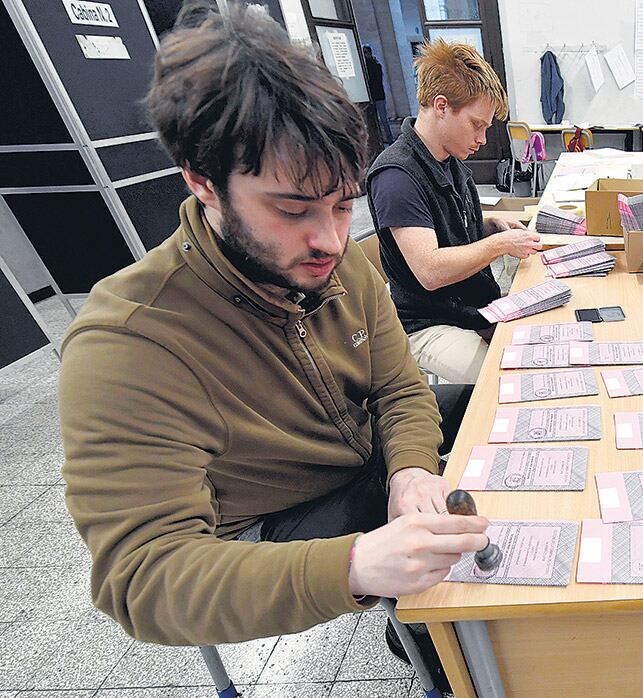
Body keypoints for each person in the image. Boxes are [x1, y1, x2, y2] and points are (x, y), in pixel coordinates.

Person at [59, 5, 485, 691]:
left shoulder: (337, 262)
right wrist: (352, 567)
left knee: (504, 424)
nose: (331, 240)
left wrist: (409, 469)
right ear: (202, 181)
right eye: (292, 210)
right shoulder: (130, 342)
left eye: (343, 204)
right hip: (276, 518)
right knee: (468, 569)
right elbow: (140, 577)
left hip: (367, 460)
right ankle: (451, 655)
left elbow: (400, 388)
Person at [367, 40, 540, 385]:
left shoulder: (450, 160)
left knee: (541, 343)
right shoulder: (396, 177)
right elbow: (430, 271)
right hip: (428, 323)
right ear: (441, 106)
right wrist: (499, 245)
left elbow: (452, 230)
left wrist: (491, 226)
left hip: (469, 304)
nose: (482, 137)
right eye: (477, 124)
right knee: (506, 383)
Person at [364, 45, 395, 144]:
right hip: (374, 96)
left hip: (377, 96)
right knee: (376, 120)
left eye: (365, 53)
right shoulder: (370, 65)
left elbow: (375, 80)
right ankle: (381, 139)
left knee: (383, 119)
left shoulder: (374, 65)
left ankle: (389, 139)